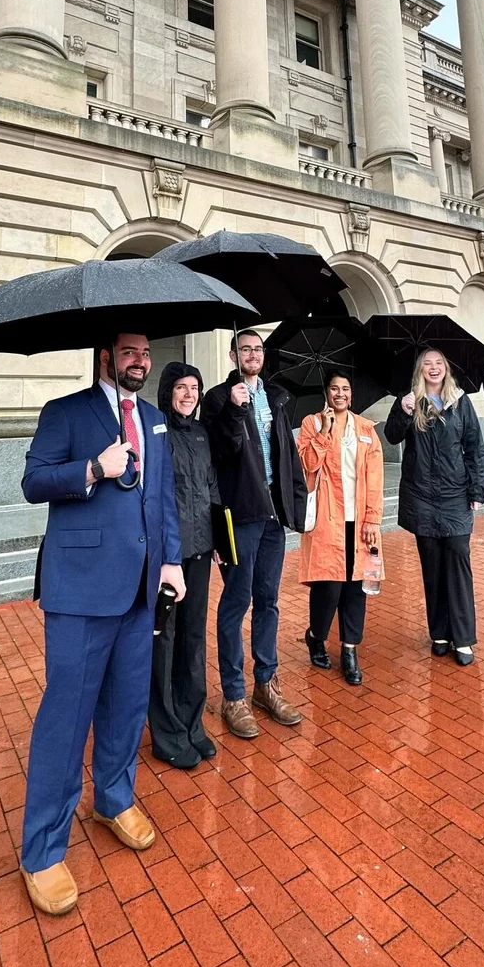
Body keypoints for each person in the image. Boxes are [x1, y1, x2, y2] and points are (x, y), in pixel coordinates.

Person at [18, 332, 184, 916]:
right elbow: (34, 482)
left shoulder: (155, 421)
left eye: (146, 352)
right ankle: (42, 850)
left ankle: (113, 799)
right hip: (81, 590)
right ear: (105, 357)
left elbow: (162, 497)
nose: (141, 361)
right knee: (67, 718)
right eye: (129, 352)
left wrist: (170, 559)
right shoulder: (65, 412)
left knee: (127, 704)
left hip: (140, 588)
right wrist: (93, 467)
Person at [201, 328, 308, 738]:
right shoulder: (217, 398)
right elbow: (217, 453)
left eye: (257, 349)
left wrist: (296, 505)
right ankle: (234, 694)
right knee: (236, 601)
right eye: (244, 349)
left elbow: (287, 455)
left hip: (272, 516)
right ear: (233, 355)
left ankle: (266, 683)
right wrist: (233, 409)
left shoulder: (275, 397)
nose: (252, 354)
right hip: (240, 515)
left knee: (268, 600)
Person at [384, 349, 484, 666]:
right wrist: (404, 412)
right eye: (427, 363)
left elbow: (474, 447)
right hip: (422, 496)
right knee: (432, 566)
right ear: (420, 370)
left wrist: (477, 490)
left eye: (439, 362)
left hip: (455, 495)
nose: (433, 367)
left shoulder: (460, 401)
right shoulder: (409, 400)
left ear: (446, 368)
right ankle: (440, 633)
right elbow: (391, 436)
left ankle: (463, 638)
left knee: (458, 560)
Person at [148, 362, 221, 769]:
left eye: (195, 388)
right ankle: (167, 732)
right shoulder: (156, 432)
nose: (189, 395)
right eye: (181, 387)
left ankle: (192, 724)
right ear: (167, 392)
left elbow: (211, 487)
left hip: (200, 549)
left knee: (193, 637)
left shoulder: (200, 433)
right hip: (167, 556)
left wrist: (219, 538)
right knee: (165, 641)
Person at [296, 369, 384, 686]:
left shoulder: (366, 429)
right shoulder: (311, 423)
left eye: (345, 388)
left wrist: (373, 518)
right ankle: (316, 636)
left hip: (360, 521)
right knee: (328, 586)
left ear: (351, 394)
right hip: (326, 519)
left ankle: (349, 651)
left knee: (356, 588)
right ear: (326, 393)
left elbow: (375, 478)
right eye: (334, 388)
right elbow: (307, 464)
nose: (340, 394)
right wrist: (324, 431)